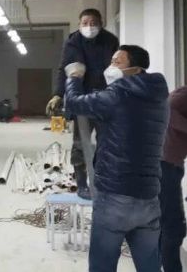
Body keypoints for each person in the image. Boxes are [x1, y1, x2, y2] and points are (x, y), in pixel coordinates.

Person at [63, 45, 168, 272]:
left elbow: (73, 102)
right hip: (149, 198)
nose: (110, 67)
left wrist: (74, 77)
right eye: (111, 61)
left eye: (117, 62)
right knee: (150, 265)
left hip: (114, 197)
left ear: (136, 69)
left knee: (102, 265)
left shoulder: (116, 95)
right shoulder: (158, 97)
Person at [47, 8, 120, 200]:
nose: (89, 27)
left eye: (93, 23)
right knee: (81, 144)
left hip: (105, 99)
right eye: (85, 23)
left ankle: (102, 182)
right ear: (79, 24)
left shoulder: (110, 41)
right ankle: (81, 184)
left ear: (101, 23)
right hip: (81, 99)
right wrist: (58, 94)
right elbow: (64, 69)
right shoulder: (73, 41)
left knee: (106, 143)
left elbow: (118, 68)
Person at [160, 86, 187, 272]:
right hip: (166, 166)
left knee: (167, 226)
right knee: (173, 227)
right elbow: (167, 111)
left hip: (169, 164)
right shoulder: (181, 97)